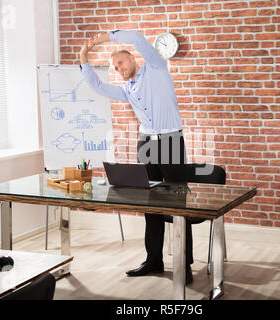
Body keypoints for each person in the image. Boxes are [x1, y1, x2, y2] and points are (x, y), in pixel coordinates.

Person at [79, 30, 194, 284]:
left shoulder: (156, 67)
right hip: (146, 143)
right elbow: (98, 86)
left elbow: (138, 38)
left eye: (120, 63)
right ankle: (153, 261)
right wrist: (83, 59)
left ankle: (184, 266)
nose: (118, 68)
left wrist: (103, 39)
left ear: (132, 58)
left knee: (178, 203)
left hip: (170, 140)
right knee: (149, 203)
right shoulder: (127, 90)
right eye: (115, 67)